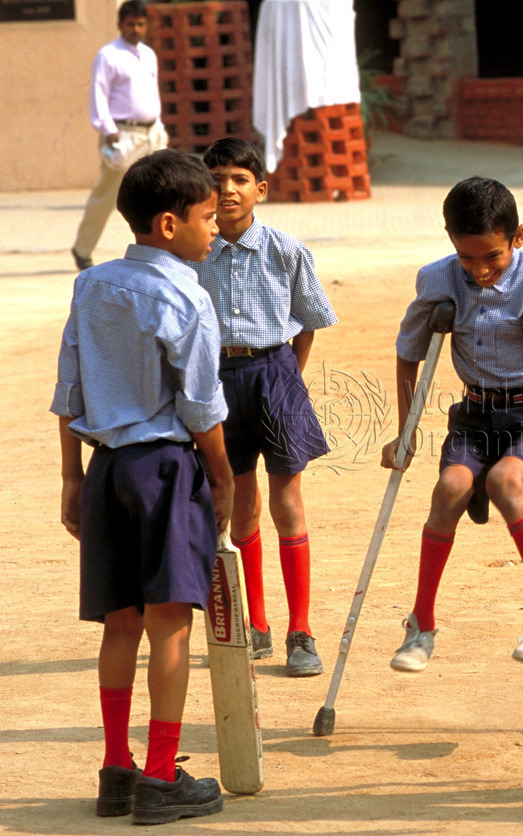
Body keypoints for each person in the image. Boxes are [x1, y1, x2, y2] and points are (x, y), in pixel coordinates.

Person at [51, 149, 235, 824]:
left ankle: (115, 769)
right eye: (207, 218)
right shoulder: (188, 294)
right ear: (167, 224)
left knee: (119, 623)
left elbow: (68, 390)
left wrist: (72, 477)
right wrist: (222, 481)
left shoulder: (92, 287)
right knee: (170, 628)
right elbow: (201, 406)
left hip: (105, 471)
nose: (215, 230)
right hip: (164, 469)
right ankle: (161, 777)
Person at [381, 176, 523, 672]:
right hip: (473, 415)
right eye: (467, 258)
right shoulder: (437, 278)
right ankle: (421, 624)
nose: (480, 270)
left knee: (505, 480)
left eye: (492, 256)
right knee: (448, 488)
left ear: (518, 236)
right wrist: (405, 431)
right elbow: (409, 354)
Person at [191, 137, 337, 677]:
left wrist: (288, 377)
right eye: (217, 179)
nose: (227, 190)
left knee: (288, 501)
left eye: (238, 179)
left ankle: (302, 631)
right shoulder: (194, 250)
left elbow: (310, 321)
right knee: (239, 500)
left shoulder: (285, 250)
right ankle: (257, 624)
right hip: (216, 383)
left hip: (275, 374)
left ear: (261, 189)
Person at [71, 0, 168, 271]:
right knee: (108, 195)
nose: (135, 29)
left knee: (160, 192)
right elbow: (98, 94)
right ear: (120, 24)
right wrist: (108, 129)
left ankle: (158, 249)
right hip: (122, 134)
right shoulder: (108, 55)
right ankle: (82, 249)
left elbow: (152, 94)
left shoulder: (148, 54)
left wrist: (158, 125)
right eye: (130, 24)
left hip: (151, 134)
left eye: (140, 24)